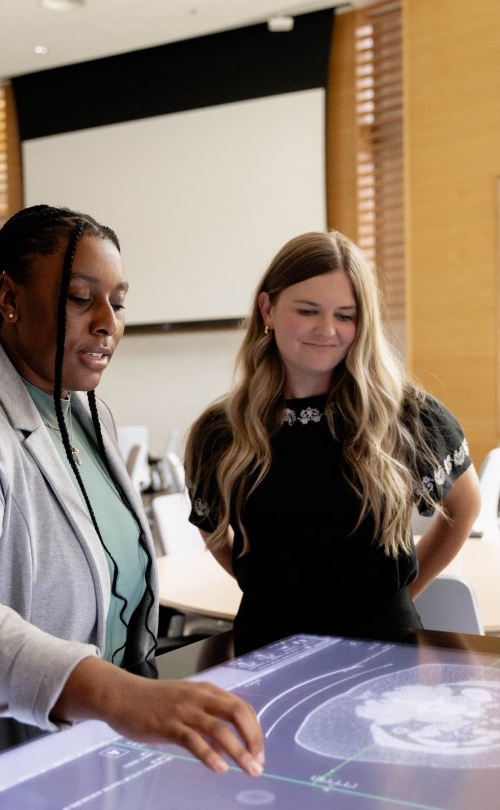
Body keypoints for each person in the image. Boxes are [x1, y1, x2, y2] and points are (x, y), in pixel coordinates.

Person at [0, 205, 264, 777]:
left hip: (63, 745)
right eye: (80, 298)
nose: (107, 323)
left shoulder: (86, 412)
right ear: (9, 297)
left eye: (118, 303)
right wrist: (119, 696)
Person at [185, 230, 481, 654]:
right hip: (266, 648)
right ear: (267, 309)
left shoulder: (407, 415)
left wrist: (402, 592)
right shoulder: (220, 430)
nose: (327, 330)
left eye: (346, 315)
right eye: (308, 311)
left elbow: (464, 506)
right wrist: (268, 589)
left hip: (386, 648)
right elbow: (210, 526)